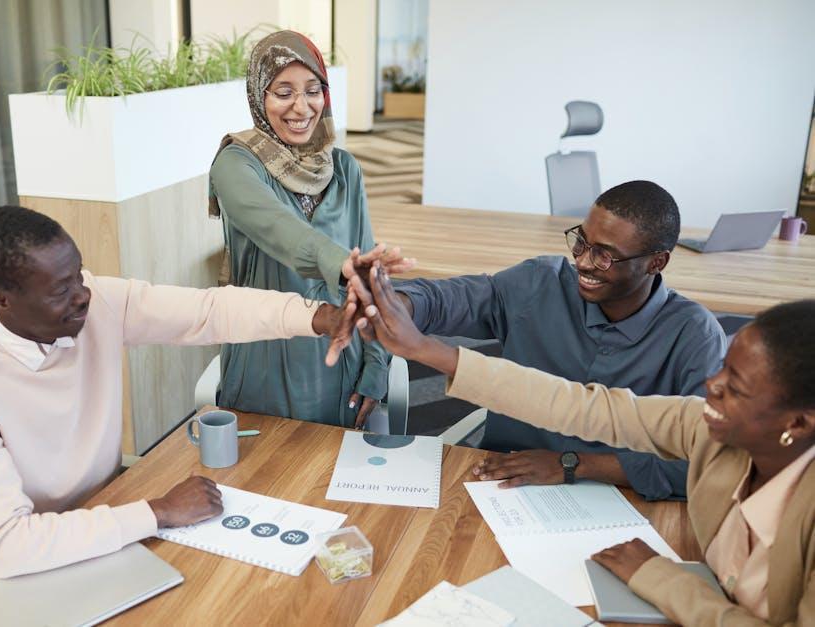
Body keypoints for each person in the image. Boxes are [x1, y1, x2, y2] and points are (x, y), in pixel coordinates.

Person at [351, 266, 814, 625]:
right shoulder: (707, 428)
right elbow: (575, 406)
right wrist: (426, 350)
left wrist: (665, 583)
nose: (711, 385)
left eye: (736, 387)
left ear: (799, 422)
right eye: (723, 370)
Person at [0, 205, 363, 578]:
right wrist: (159, 512)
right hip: (32, 562)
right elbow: (7, 546)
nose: (83, 295)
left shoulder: (95, 301)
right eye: (62, 290)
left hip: (108, 511)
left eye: (78, 274)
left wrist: (319, 317)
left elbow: (207, 311)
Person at [392, 181, 727, 500]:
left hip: (625, 500)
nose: (582, 261)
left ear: (656, 262)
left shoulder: (695, 336)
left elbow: (708, 464)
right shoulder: (541, 282)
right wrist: (398, 306)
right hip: (500, 482)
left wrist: (575, 465)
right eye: (581, 242)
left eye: (604, 255)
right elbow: (450, 299)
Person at [208, 30, 412, 430]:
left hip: (341, 362)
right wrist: (343, 264)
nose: (301, 107)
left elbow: (369, 276)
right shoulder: (236, 164)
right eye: (283, 92)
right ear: (258, 96)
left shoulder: (344, 169)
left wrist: (375, 368)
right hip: (264, 366)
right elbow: (279, 229)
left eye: (313, 90)